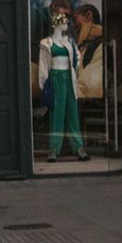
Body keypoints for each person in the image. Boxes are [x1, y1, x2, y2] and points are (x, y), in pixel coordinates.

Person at [38, 12, 90, 162]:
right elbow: (43, 66)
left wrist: (75, 74)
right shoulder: (46, 43)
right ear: (57, 23)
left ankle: (78, 147)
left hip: (68, 78)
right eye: (65, 22)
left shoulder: (70, 42)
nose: (67, 25)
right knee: (57, 115)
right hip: (55, 78)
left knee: (72, 114)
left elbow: (77, 59)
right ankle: (53, 149)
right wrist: (45, 85)